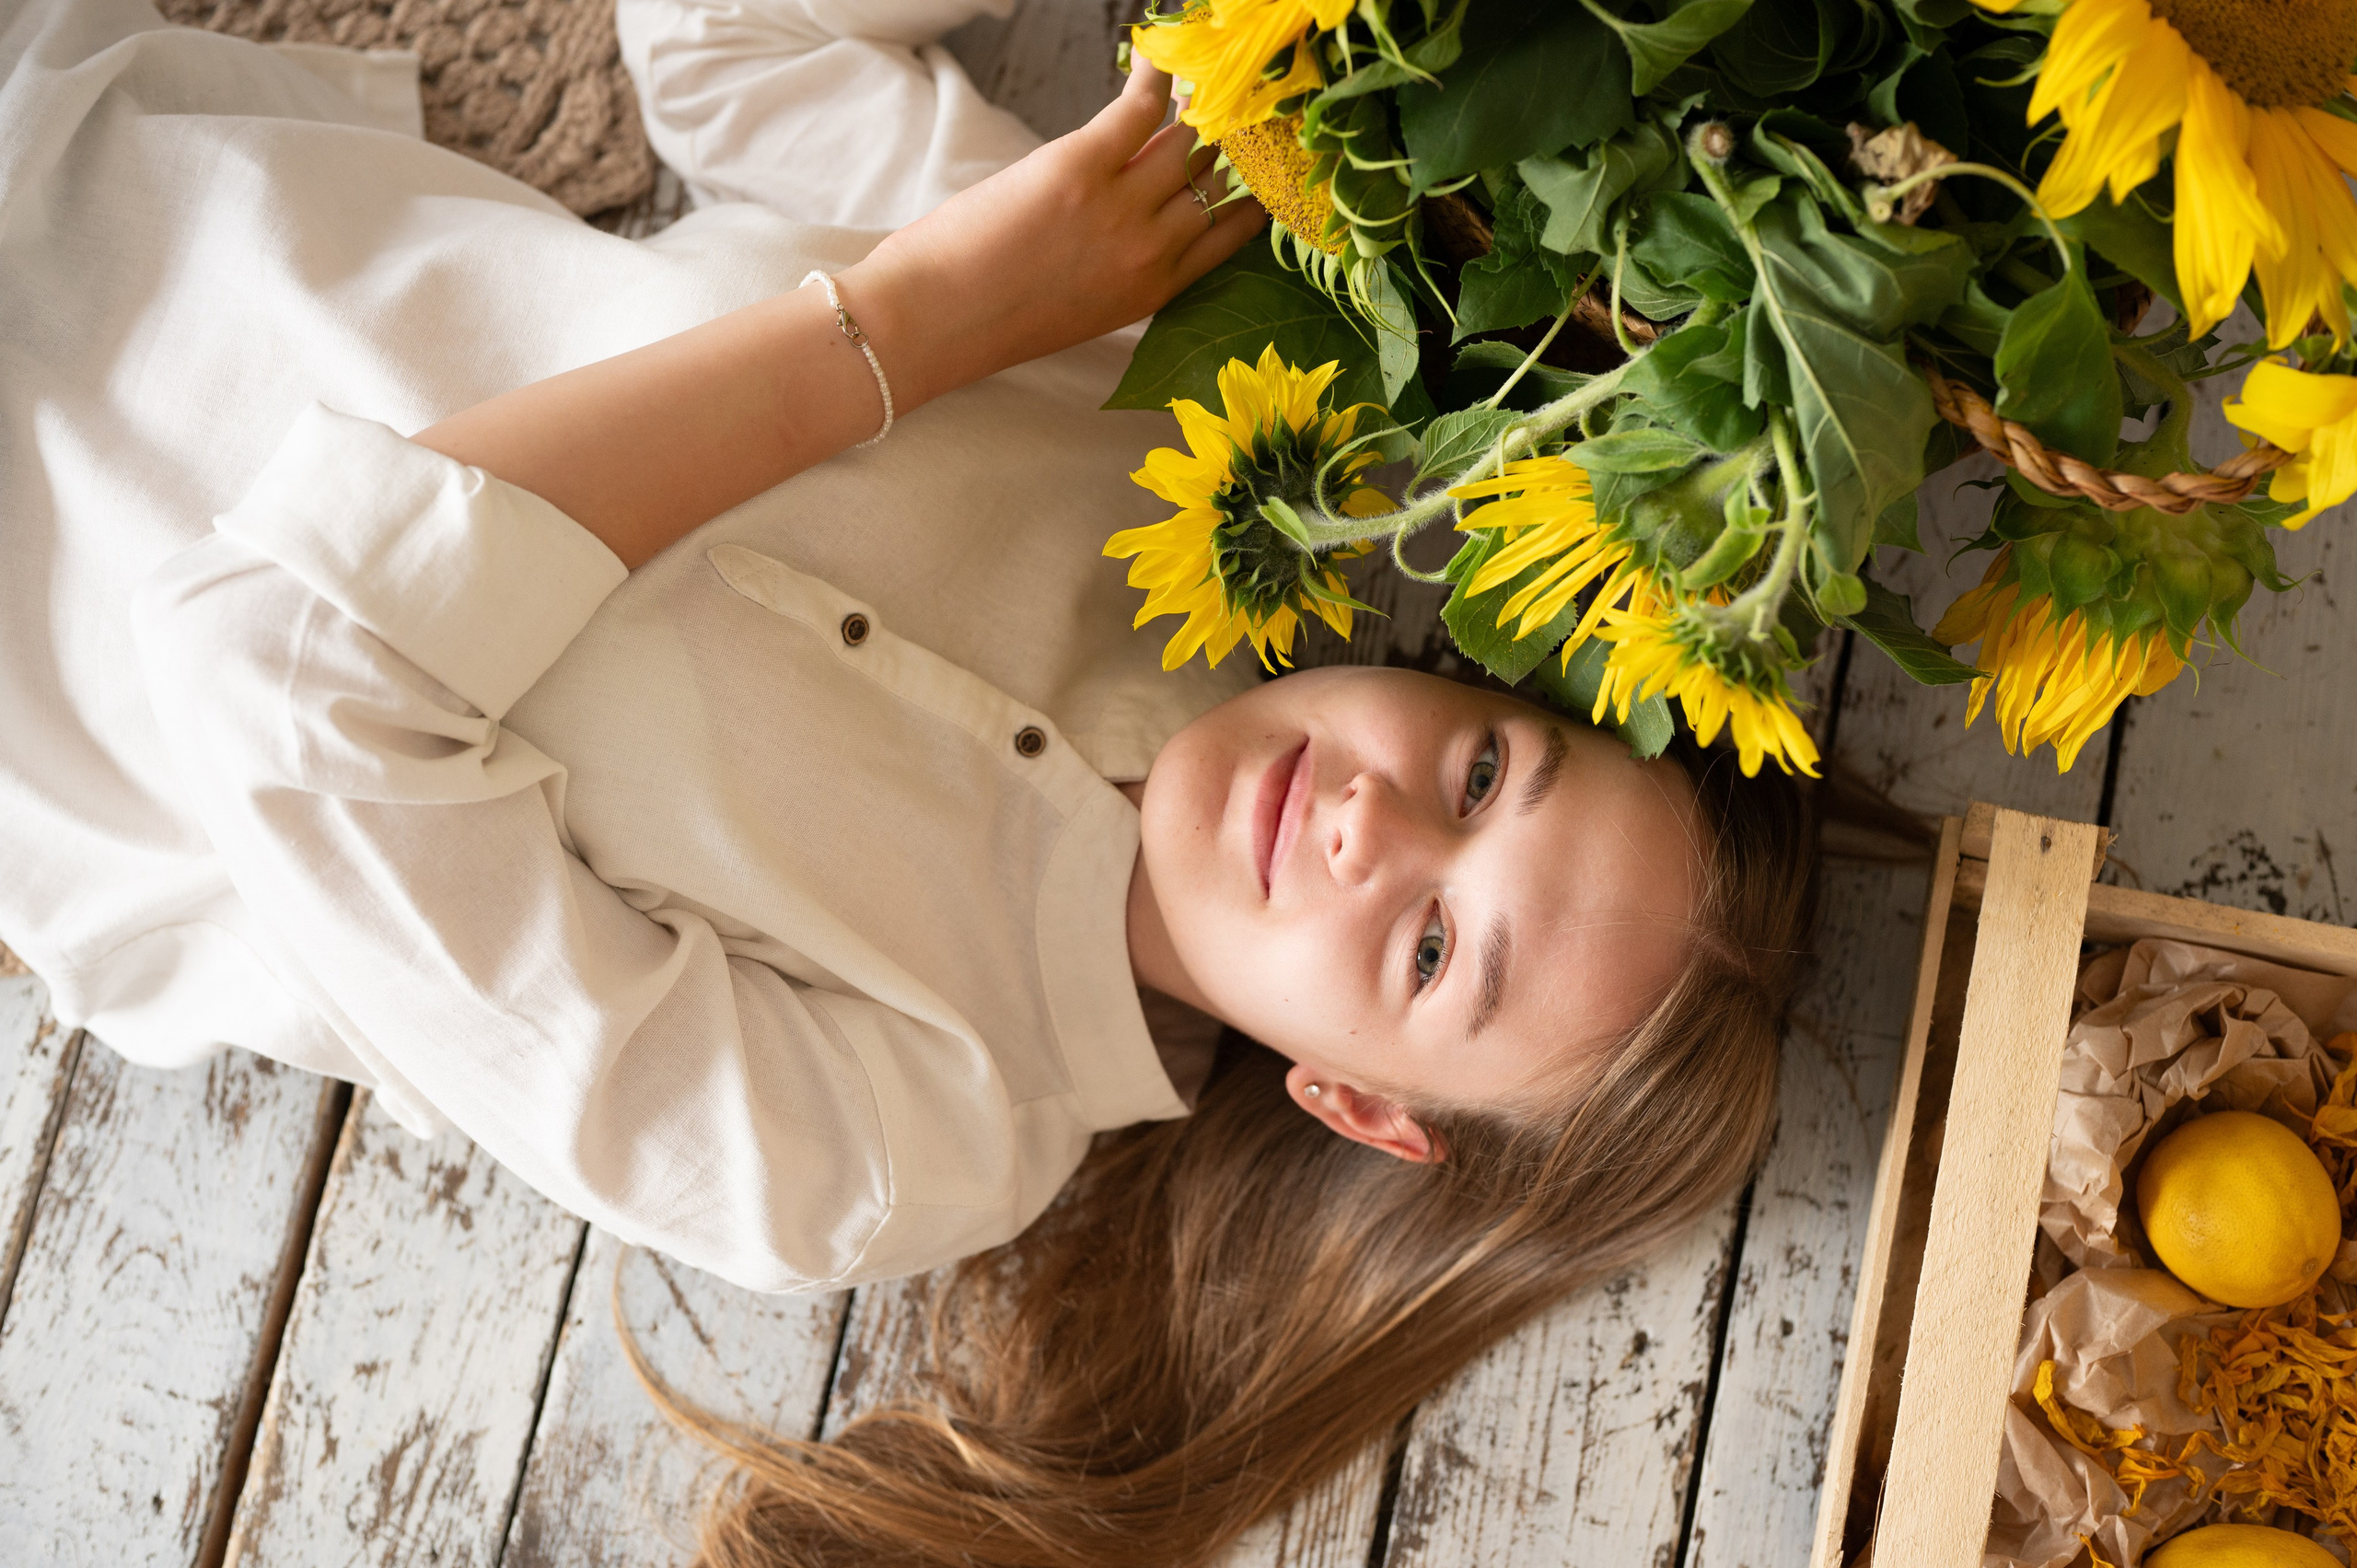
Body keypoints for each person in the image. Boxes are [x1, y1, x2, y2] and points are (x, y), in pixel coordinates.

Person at [0, 0, 1817, 1561]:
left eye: (1430, 952)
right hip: (100, 171)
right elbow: (728, 51)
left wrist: (910, 327)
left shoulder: (875, 1154)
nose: (1370, 824)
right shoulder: (1178, 426)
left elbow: (264, 671)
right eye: (1488, 770)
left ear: (1355, 1104)